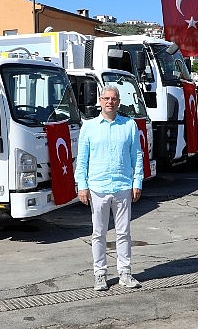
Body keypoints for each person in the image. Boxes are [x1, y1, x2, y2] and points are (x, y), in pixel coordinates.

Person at [75, 85, 144, 291]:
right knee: (99, 233)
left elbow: (137, 157)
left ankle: (125, 273)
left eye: (113, 99)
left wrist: (137, 182)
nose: (109, 102)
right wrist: (82, 186)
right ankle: (100, 274)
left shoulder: (129, 125)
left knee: (123, 233)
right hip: (98, 188)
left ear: (118, 101)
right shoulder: (89, 126)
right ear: (100, 100)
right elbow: (82, 161)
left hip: (123, 187)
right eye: (106, 98)